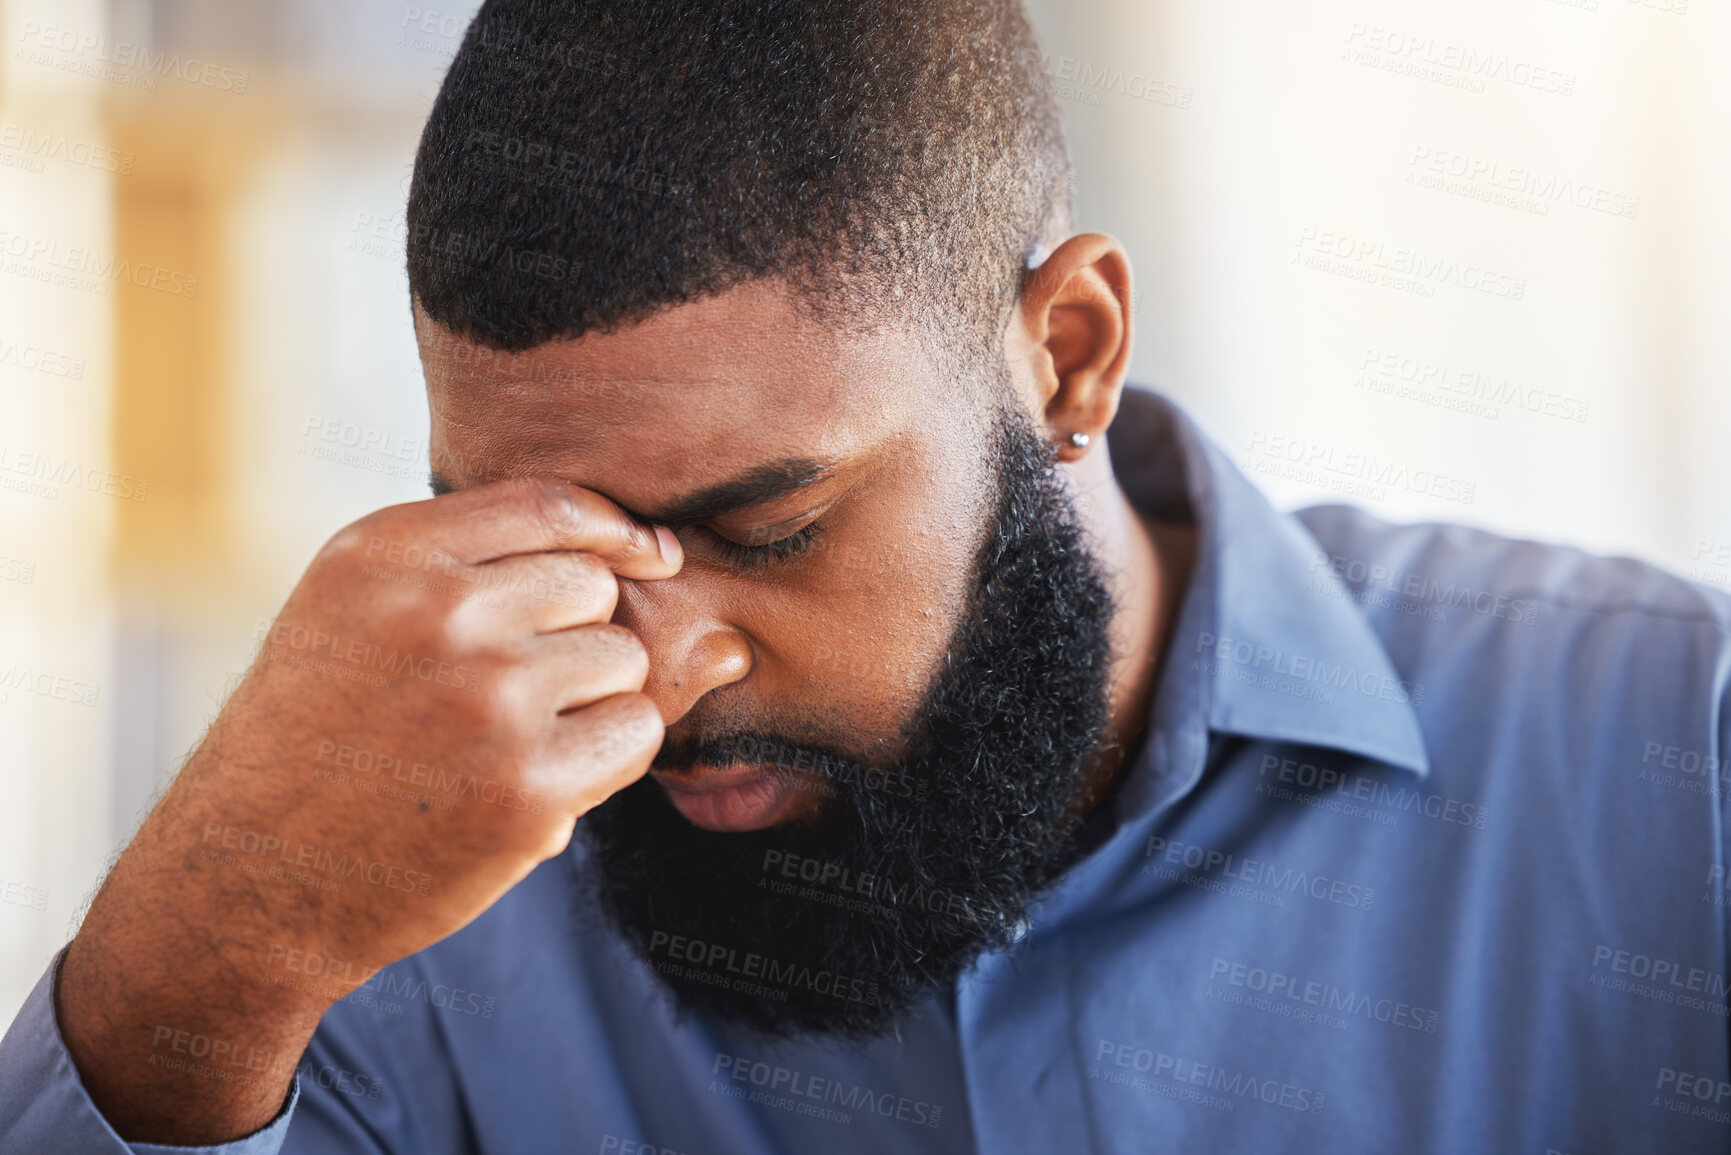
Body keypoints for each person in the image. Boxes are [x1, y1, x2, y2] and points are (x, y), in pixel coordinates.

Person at [3, 1, 1728, 1151]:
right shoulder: (394, 924)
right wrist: (216, 941)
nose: (653, 671)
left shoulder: (1673, 772)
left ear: (1067, 354)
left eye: (766, 527)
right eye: (530, 534)